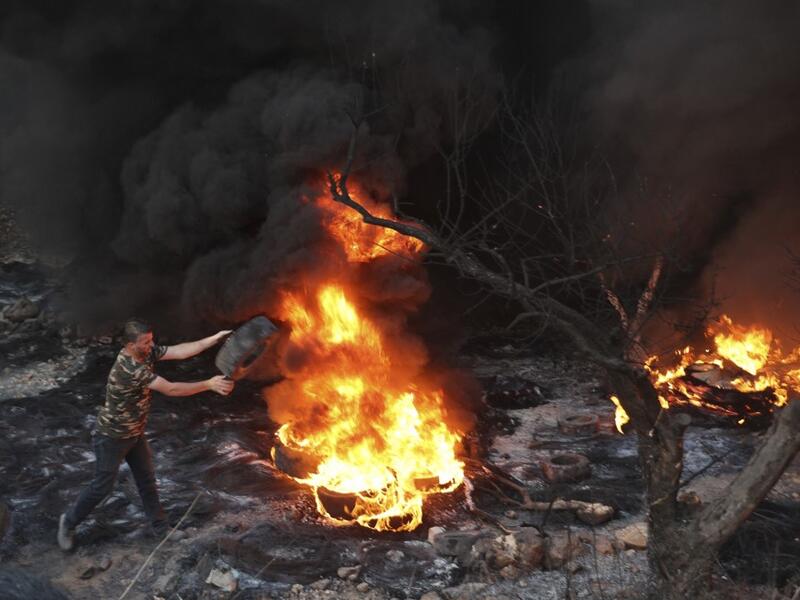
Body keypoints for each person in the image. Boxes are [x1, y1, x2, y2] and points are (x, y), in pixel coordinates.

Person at [57, 318, 234, 551]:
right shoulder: (130, 368)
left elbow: (180, 352)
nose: (151, 345)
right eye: (145, 342)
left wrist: (214, 338)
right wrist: (208, 384)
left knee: (147, 481)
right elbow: (170, 388)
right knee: (102, 487)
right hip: (111, 437)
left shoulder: (145, 352)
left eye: (151, 340)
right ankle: (68, 522)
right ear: (130, 345)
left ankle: (161, 530)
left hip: (135, 434)